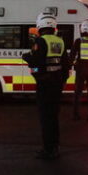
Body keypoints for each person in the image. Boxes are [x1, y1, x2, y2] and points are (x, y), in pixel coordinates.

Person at [23, 13, 70, 160]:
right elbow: (65, 66)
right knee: (54, 117)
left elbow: (36, 61)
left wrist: (26, 57)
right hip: (57, 84)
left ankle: (48, 150)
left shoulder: (41, 41)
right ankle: (55, 147)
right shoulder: (60, 41)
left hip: (44, 84)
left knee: (45, 118)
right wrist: (61, 81)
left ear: (40, 26)